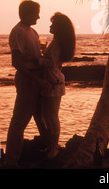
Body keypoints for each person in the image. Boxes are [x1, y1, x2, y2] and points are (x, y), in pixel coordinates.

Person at [5, 0, 52, 167]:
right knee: (19, 121)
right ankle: (11, 161)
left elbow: (32, 57)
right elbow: (16, 61)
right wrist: (36, 80)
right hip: (28, 80)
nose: (39, 16)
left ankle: (50, 150)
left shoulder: (33, 32)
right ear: (26, 14)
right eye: (36, 13)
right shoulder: (18, 31)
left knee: (42, 118)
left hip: (37, 79)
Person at [40, 12, 76, 159]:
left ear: (59, 27)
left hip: (53, 82)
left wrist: (34, 58)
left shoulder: (57, 43)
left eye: (53, 24)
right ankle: (52, 145)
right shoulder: (57, 43)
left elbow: (49, 63)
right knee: (48, 116)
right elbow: (53, 61)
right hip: (54, 81)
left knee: (52, 116)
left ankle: (54, 147)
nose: (50, 26)